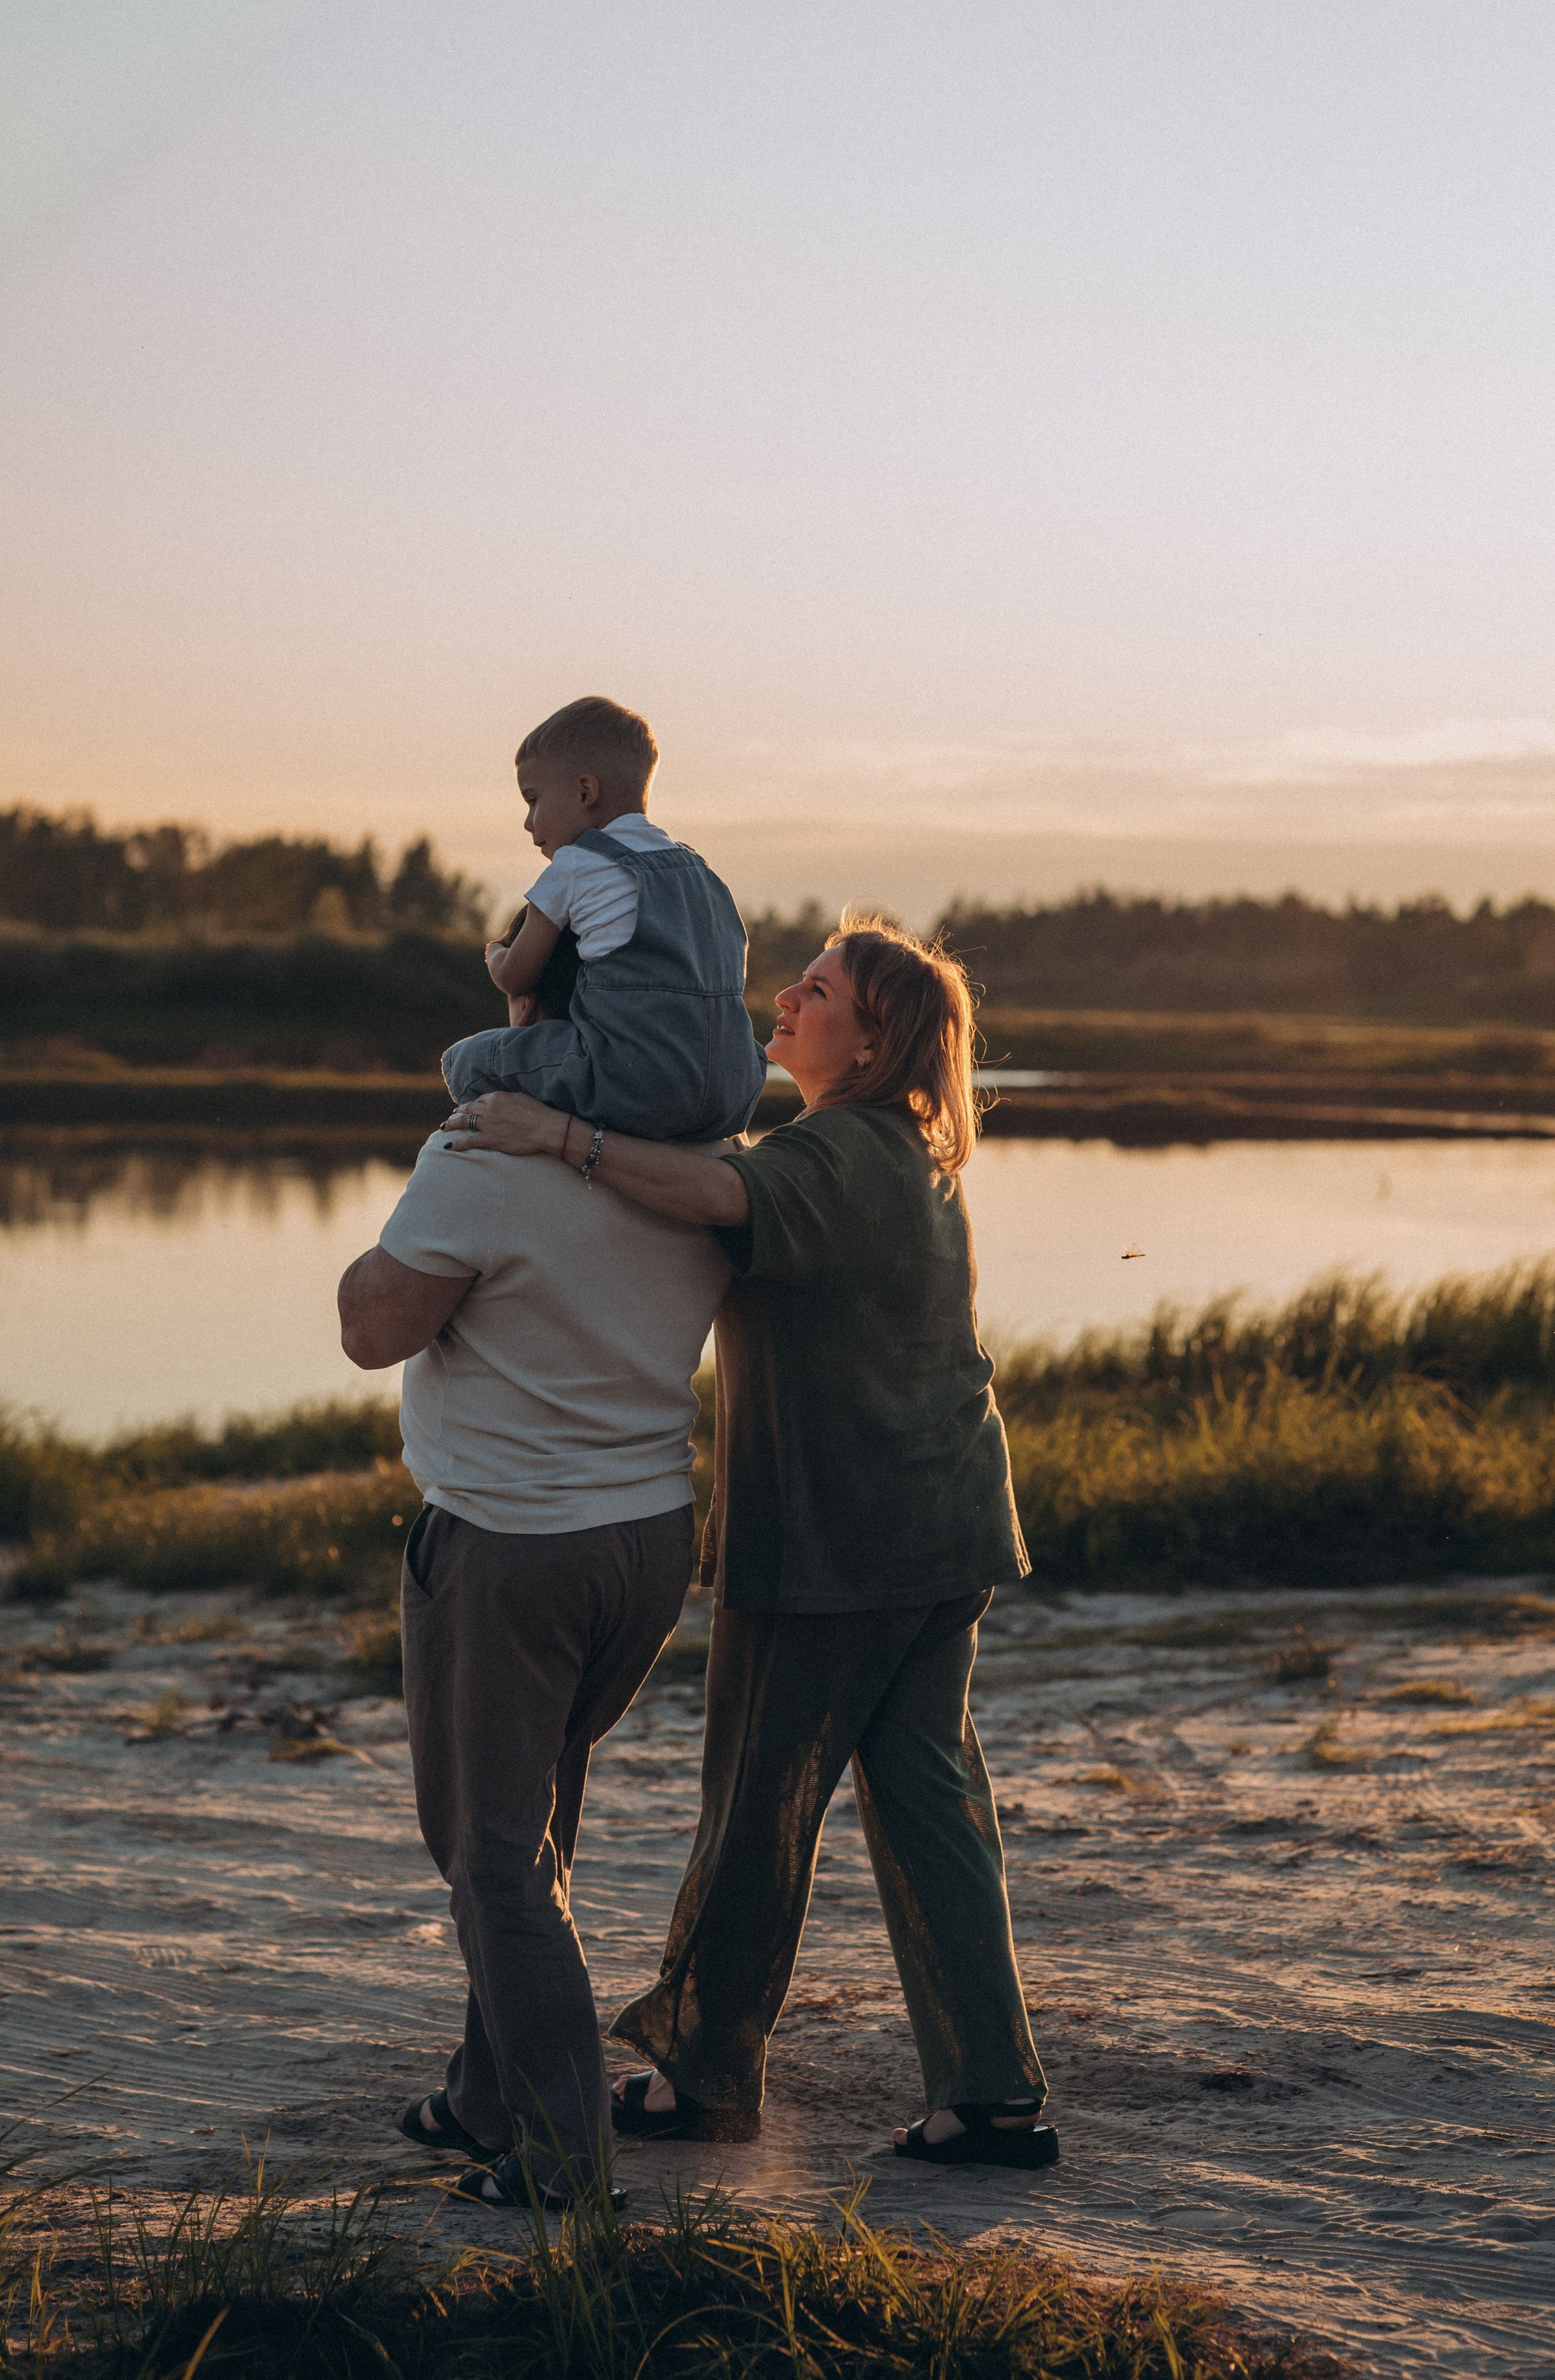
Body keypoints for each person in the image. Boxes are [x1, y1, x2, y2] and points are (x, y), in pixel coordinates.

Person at [440, 916, 1057, 2172]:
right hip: (944, 1526)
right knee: (930, 1799)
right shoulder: (903, 1151)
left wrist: (560, 1136)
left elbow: (721, 1195)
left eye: (817, 990)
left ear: (871, 1041)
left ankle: (707, 2073)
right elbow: (715, 1185)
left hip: (839, 1542)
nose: (787, 998)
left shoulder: (836, 1153)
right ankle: (990, 2092)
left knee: (757, 1804)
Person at [337, 921, 731, 2207]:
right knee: (529, 1820)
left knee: (490, 1857)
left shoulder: (480, 1153)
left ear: (531, 1006)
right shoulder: (694, 1160)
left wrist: (374, 1256)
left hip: (511, 1546)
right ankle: (487, 2094)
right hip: (645, 1541)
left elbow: (374, 1329)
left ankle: (564, 2160)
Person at [441, 695, 767, 1143]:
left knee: (467, 1060)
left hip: (631, 1082)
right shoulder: (704, 875)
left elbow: (517, 977)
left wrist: (496, 953)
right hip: (732, 1093)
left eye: (533, 800)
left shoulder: (577, 864)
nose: (528, 822)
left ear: (585, 792)